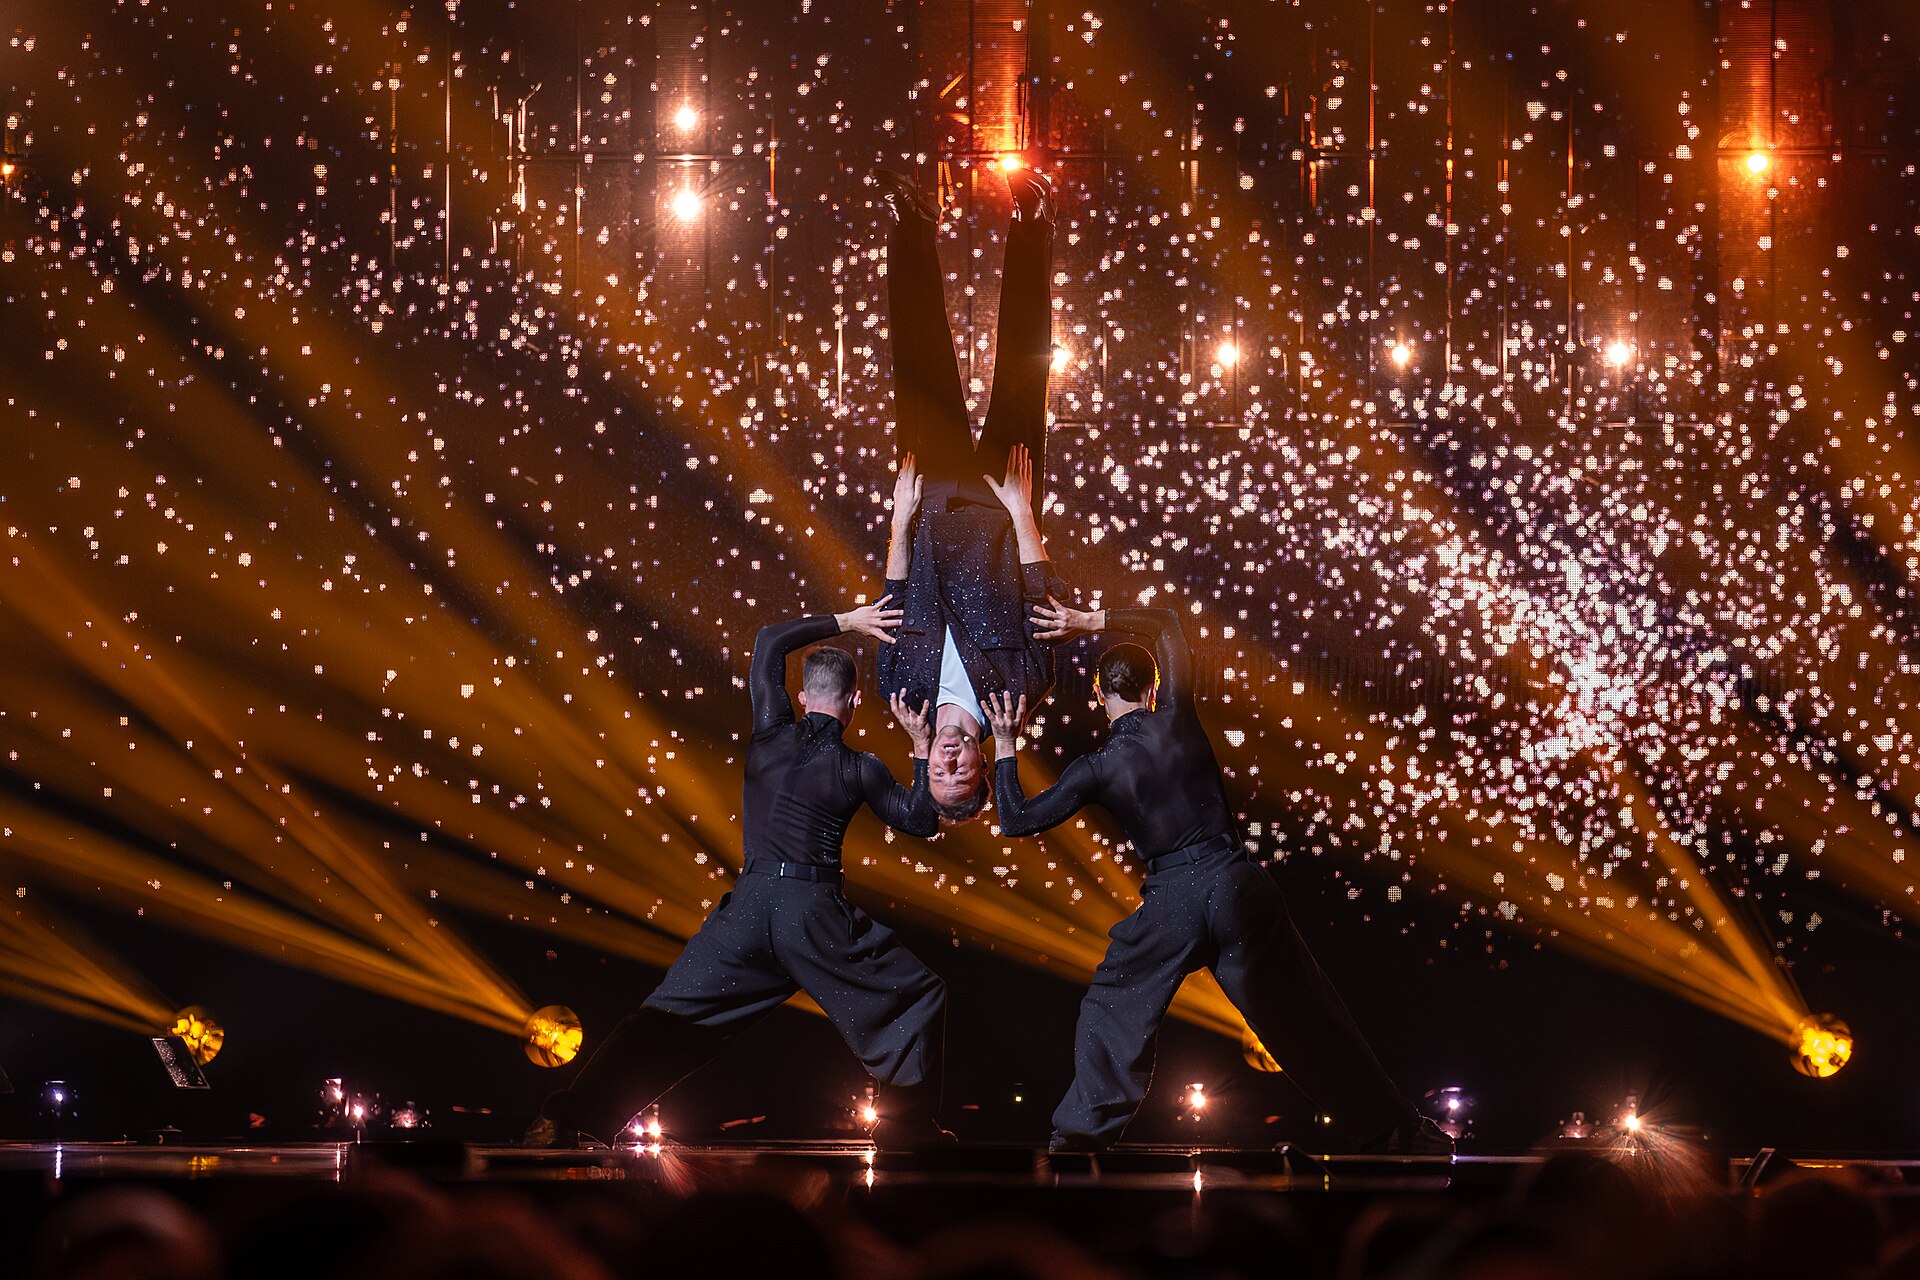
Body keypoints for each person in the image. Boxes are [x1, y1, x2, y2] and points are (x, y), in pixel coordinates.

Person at [986, 601, 1448, 1154]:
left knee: (1114, 1002)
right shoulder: (1178, 715)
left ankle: (1082, 1138)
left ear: (1098, 692)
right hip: (1236, 884)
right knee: (1304, 1014)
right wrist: (1089, 621)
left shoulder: (1097, 766)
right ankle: (1397, 1130)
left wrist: (1007, 745)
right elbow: (1165, 622)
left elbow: (1016, 820)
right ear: (1154, 687)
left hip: (1174, 900)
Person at [527, 599, 952, 1148]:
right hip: (813, 915)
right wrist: (920, 748)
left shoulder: (769, 733)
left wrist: (849, 621)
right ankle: (906, 1131)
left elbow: (770, 639)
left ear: (802, 697)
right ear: (853, 703)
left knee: (669, 1018)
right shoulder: (860, 767)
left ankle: (572, 1118)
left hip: (747, 911)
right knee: (918, 994)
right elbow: (920, 820)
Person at [871, 166, 1071, 823]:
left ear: (925, 763)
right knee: (1023, 366)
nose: (950, 764)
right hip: (1003, 503)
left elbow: (893, 598)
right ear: (985, 768)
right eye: (962, 775)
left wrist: (900, 519)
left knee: (918, 364)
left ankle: (910, 221)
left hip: (928, 503)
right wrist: (1023, 511)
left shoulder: (901, 694)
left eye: (938, 775)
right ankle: (1033, 221)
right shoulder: (1020, 695)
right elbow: (1044, 598)